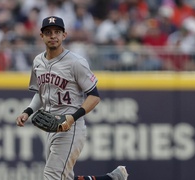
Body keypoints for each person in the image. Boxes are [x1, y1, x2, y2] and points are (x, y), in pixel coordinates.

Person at [15, 16, 129, 180]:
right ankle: (111, 178)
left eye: (57, 32)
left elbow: (94, 96)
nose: (53, 35)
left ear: (64, 35)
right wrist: (27, 111)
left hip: (71, 127)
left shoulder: (76, 62)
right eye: (48, 32)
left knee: (52, 176)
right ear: (42, 36)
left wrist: (72, 118)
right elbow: (41, 93)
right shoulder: (38, 61)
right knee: (63, 177)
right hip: (51, 128)